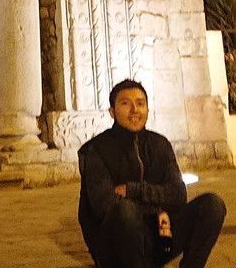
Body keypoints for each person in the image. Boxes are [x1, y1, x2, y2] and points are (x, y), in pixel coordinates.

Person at [78, 79, 227, 268]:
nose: (134, 110)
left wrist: (133, 191)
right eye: (125, 103)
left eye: (140, 104)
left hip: (159, 238)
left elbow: (179, 195)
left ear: (147, 110)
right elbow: (104, 206)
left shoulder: (160, 144)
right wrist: (158, 206)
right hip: (116, 249)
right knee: (125, 212)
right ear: (112, 112)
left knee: (212, 205)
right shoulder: (97, 150)